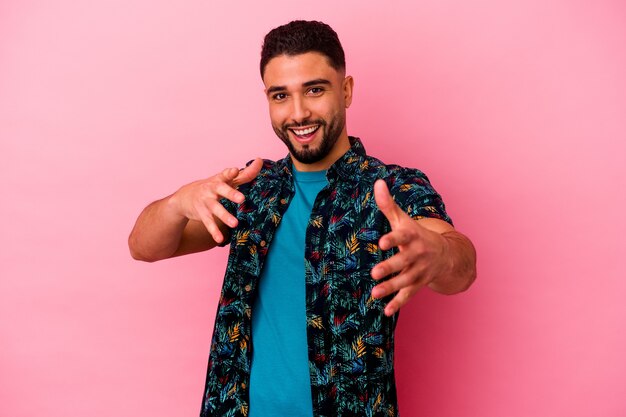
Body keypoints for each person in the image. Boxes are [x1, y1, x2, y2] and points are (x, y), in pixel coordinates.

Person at [129, 20, 476, 417]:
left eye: (314, 89)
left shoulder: (391, 187)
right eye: (281, 95)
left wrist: (438, 255)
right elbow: (144, 247)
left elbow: (460, 265)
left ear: (345, 91)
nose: (298, 113)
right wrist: (177, 203)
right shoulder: (252, 188)